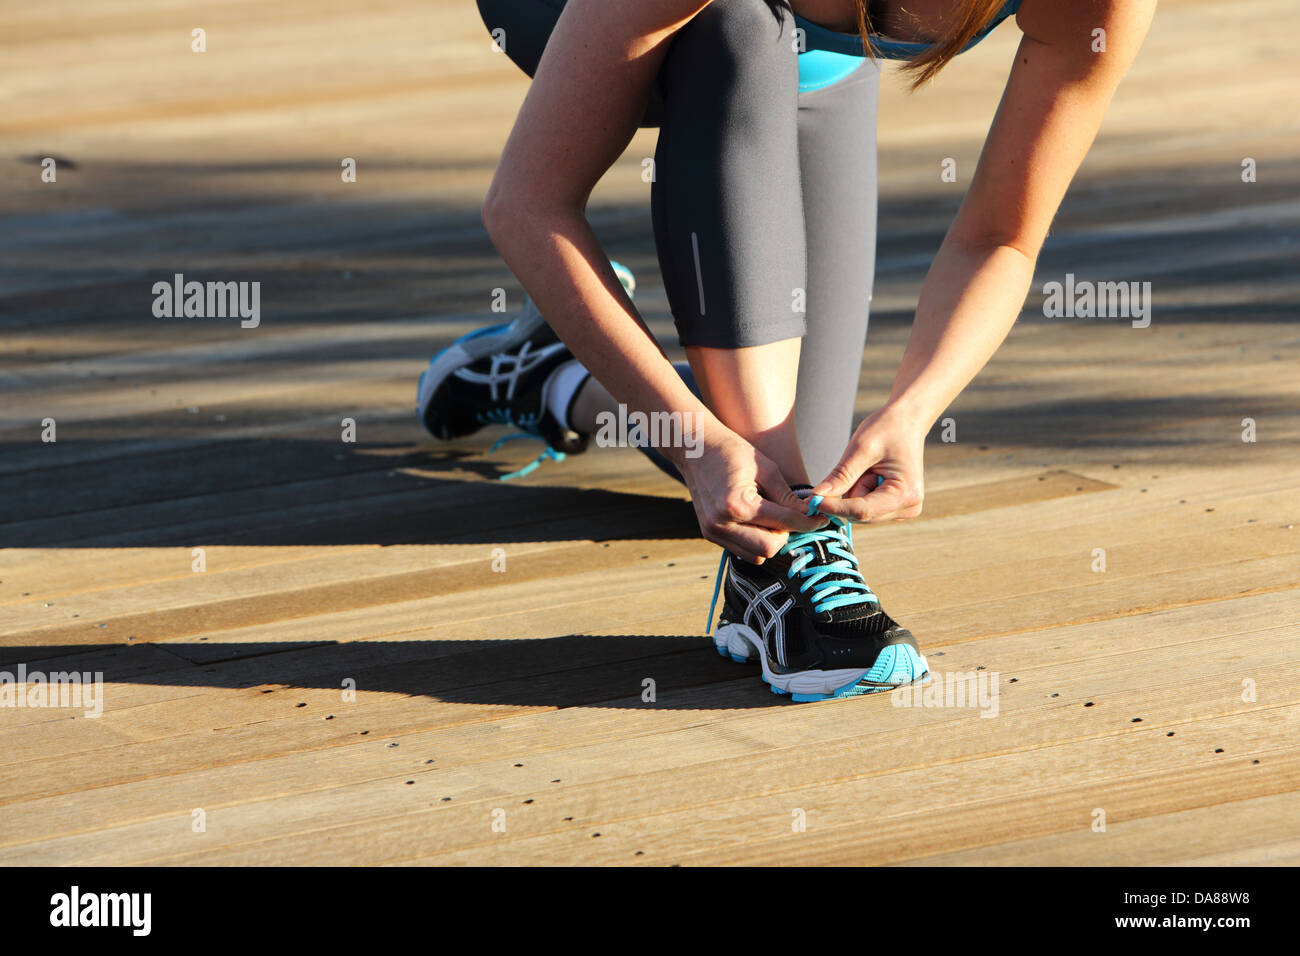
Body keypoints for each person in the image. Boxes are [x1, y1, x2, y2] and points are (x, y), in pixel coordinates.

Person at [419, 0, 1156, 701]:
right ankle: (767, 576)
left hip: (822, 63)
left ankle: (556, 371)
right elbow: (527, 203)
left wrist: (914, 409)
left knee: (799, 461)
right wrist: (695, 440)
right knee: (737, 25)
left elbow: (1003, 236)